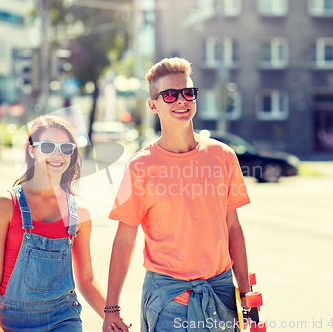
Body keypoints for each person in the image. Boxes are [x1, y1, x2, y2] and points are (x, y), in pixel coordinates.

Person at [102, 57, 251, 332]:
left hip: (222, 295)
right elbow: (124, 238)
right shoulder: (140, 166)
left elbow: (234, 228)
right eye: (169, 95)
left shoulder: (223, 156)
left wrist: (247, 294)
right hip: (168, 301)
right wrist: (111, 308)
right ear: (153, 104)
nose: (181, 101)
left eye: (187, 93)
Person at [0, 116, 106, 332]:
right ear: (32, 150)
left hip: (64, 320)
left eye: (66, 147)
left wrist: (112, 315)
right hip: (10, 321)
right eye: (48, 146)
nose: (57, 154)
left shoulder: (79, 212)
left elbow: (87, 279)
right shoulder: (6, 205)